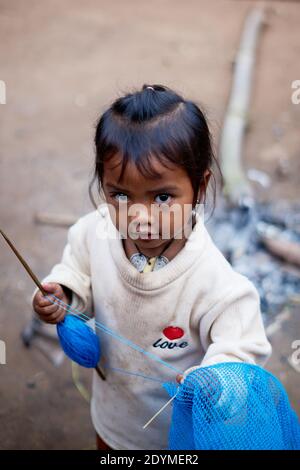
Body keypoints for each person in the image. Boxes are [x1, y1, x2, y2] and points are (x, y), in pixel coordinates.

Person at [32, 84, 272, 450]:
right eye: (120, 195)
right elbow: (77, 269)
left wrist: (215, 382)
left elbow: (242, 351)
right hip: (113, 422)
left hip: (178, 440)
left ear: (200, 187)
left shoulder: (217, 285)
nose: (139, 217)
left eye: (162, 197)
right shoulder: (94, 234)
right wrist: (62, 294)